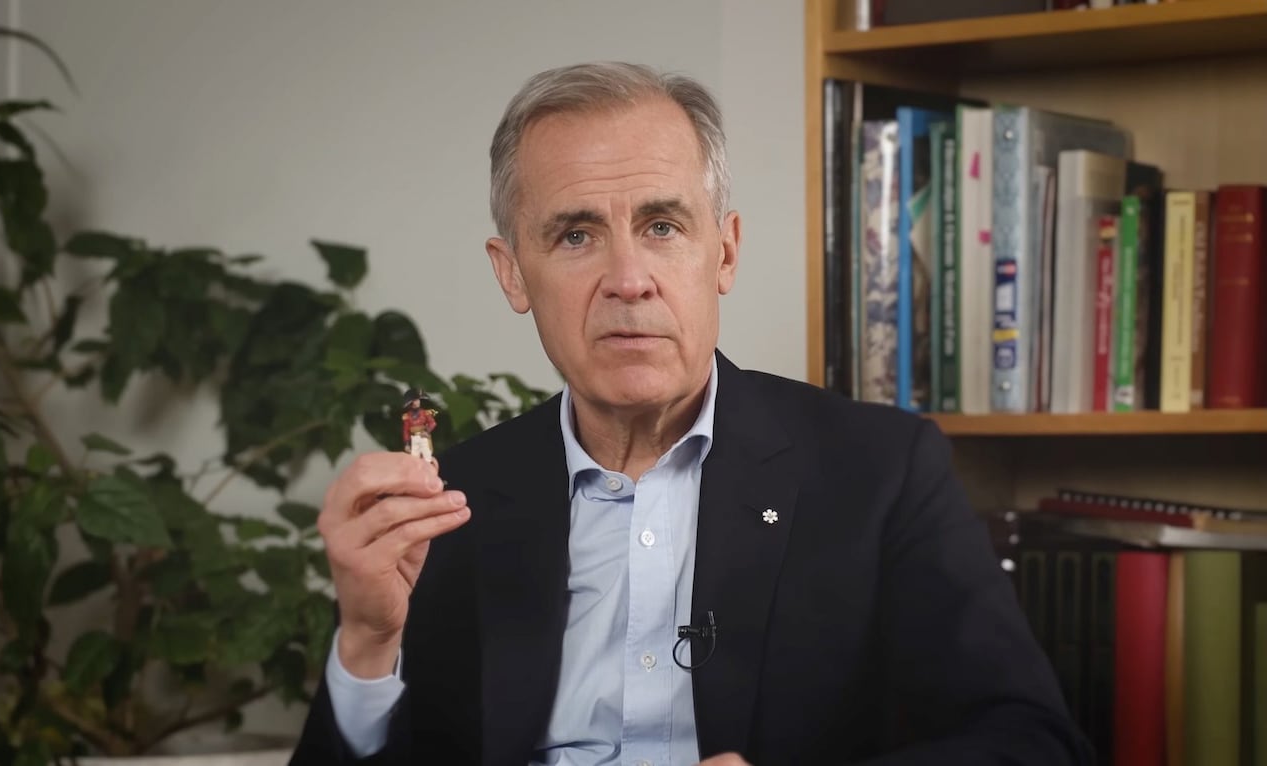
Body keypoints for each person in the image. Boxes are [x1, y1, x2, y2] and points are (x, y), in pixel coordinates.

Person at [290, 62, 1091, 765]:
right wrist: (367, 645)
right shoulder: (448, 507)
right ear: (513, 275)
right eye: (576, 236)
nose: (628, 279)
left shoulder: (880, 472)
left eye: (663, 226)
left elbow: (1031, 742)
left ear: (726, 252)